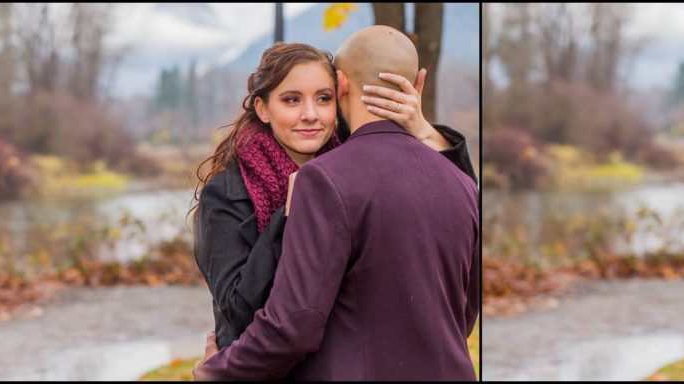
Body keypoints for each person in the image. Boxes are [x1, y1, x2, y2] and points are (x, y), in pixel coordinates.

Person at [193, 25, 479, 380]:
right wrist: (288, 215)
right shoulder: (228, 192)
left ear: (341, 92)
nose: (310, 114)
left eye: (323, 98)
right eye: (291, 99)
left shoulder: (345, 175)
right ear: (262, 109)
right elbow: (242, 310)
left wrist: (424, 131)